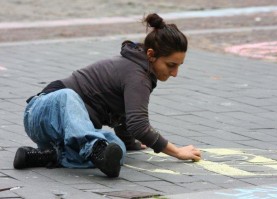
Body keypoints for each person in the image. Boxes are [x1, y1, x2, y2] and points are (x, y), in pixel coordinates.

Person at [13, 13, 201, 178]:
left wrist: (129, 143)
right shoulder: (138, 75)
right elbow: (139, 125)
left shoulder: (141, 71)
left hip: (64, 133)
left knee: (116, 148)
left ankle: (48, 155)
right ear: (151, 54)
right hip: (41, 111)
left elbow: (126, 115)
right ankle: (94, 148)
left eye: (178, 66)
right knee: (69, 97)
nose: (175, 73)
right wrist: (177, 152)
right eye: (171, 65)